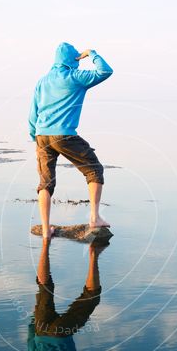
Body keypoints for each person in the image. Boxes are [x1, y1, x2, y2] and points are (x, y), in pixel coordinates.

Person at [28, 42, 113, 239]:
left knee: (45, 183)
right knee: (94, 169)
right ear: (73, 59)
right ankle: (94, 218)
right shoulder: (75, 77)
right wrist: (91, 53)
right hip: (64, 134)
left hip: (42, 134)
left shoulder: (42, 81)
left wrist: (35, 136)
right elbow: (105, 71)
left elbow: (33, 113)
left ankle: (46, 228)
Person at [27, 239, 106, 351]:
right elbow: (30, 347)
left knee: (91, 298)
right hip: (40, 329)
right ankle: (45, 243)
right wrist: (34, 321)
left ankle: (93, 253)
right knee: (44, 287)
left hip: (60, 334)